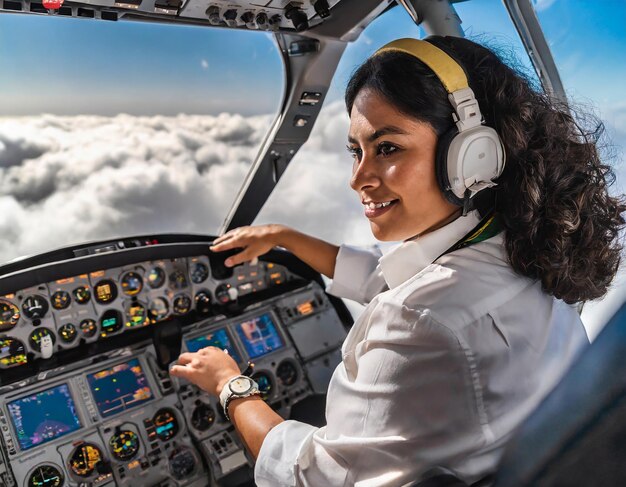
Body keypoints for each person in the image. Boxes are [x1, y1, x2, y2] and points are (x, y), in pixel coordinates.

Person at [170, 36, 625, 486]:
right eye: (356, 150)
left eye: (386, 148)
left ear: (472, 156)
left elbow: (311, 476)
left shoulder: (419, 324)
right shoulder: (527, 248)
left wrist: (231, 386)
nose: (357, 178)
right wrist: (286, 237)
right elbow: (401, 278)